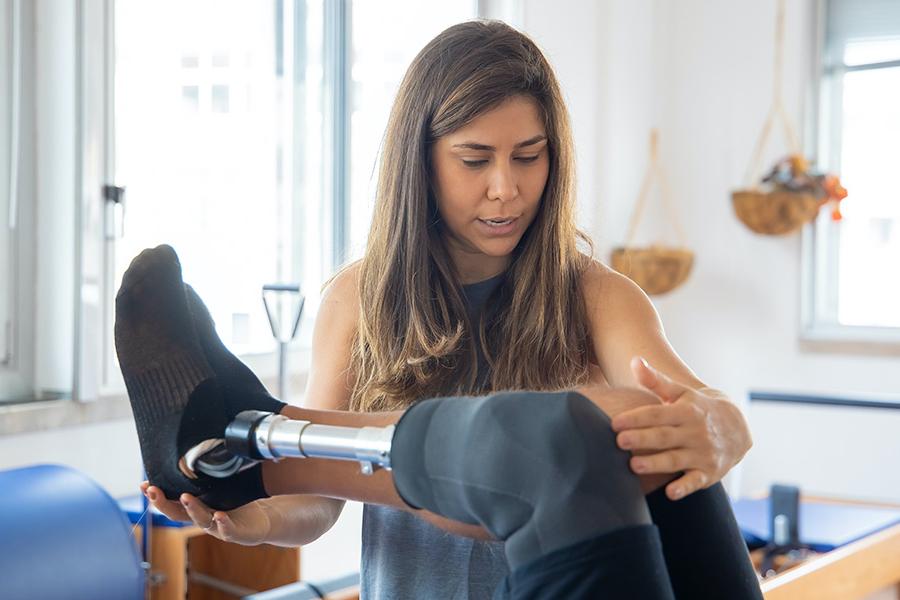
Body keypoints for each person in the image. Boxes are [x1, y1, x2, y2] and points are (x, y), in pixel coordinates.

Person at [137, 19, 757, 599]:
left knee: (602, 431)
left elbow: (685, 406)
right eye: (474, 159)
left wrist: (725, 425)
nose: (506, 189)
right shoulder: (358, 299)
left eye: (528, 156)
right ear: (422, 162)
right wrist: (251, 520)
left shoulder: (597, 296)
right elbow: (319, 501)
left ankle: (259, 433)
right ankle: (260, 446)